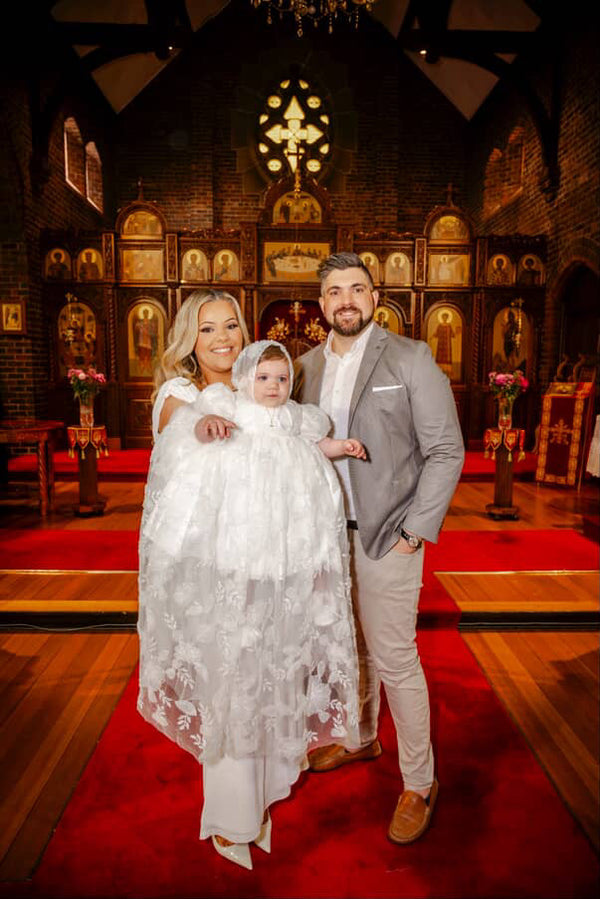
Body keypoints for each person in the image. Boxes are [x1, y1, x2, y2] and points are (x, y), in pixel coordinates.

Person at [138, 338, 364, 870]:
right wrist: (205, 426)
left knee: (272, 675)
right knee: (236, 681)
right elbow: (190, 436)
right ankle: (230, 815)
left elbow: (317, 450)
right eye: (263, 378)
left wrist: (342, 447)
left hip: (280, 570)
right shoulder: (226, 408)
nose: (274, 387)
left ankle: (261, 793)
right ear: (244, 380)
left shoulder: (296, 421)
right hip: (235, 566)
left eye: (281, 379)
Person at [294, 252, 465, 845]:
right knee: (351, 645)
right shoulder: (303, 368)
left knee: (395, 656)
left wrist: (415, 530)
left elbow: (445, 450)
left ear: (374, 297)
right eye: (334, 291)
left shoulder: (410, 357)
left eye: (356, 288)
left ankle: (419, 782)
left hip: (390, 530)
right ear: (321, 304)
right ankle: (362, 737)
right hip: (325, 533)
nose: (346, 299)